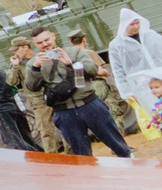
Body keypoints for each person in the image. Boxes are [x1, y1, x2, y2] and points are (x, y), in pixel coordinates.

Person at [35, 29, 134, 157]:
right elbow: (32, 87)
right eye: (39, 42)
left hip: (89, 102)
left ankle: (129, 161)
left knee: (116, 142)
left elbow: (93, 69)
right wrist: (35, 67)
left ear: (53, 36)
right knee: (81, 154)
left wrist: (71, 63)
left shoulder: (75, 52)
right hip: (64, 110)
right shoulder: (35, 62)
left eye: (46, 40)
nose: (44, 44)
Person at [112, 11, 160, 131]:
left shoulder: (151, 35)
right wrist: (126, 91)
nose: (136, 26)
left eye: (137, 23)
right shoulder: (116, 45)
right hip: (142, 87)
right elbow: (118, 70)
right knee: (156, 115)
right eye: (132, 24)